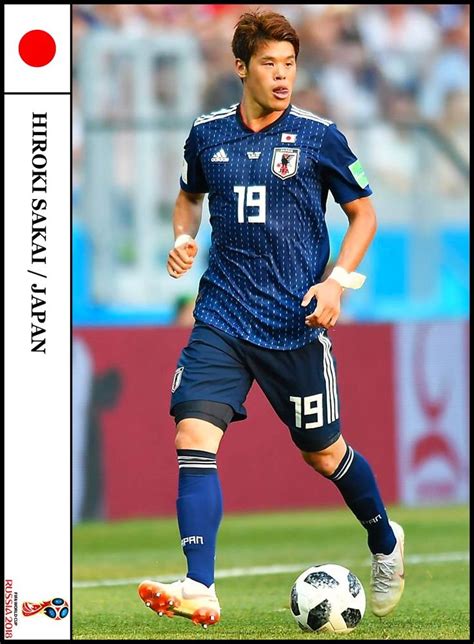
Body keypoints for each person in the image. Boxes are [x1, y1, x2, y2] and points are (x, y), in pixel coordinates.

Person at [139, 10, 404, 628]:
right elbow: (188, 197)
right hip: (223, 317)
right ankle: (199, 585)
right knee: (192, 435)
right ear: (241, 67)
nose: (283, 76)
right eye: (269, 64)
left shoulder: (319, 137)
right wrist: (182, 237)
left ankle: (385, 539)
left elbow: (364, 215)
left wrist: (337, 282)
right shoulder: (207, 135)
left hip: (295, 325)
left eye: (289, 64)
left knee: (323, 454)